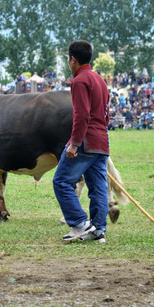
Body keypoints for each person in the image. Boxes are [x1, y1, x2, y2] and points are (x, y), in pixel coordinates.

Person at [53, 40, 110, 242]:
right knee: (98, 187)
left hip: (85, 140)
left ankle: (79, 223)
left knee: (60, 181)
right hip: (102, 139)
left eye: (69, 60)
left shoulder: (79, 81)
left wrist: (74, 144)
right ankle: (98, 230)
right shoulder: (100, 80)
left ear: (73, 60)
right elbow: (106, 114)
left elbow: (82, 116)